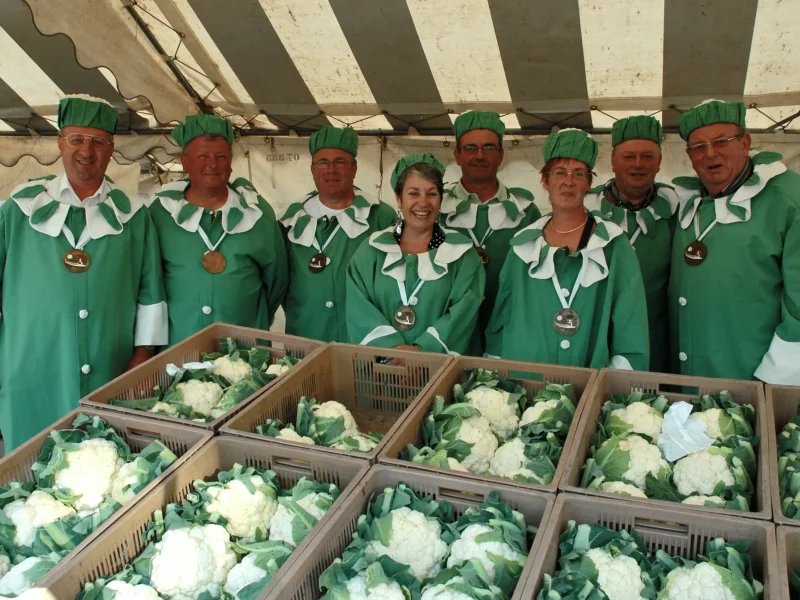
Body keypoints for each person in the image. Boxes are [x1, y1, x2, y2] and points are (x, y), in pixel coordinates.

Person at [0, 95, 167, 450]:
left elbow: (151, 293)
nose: (86, 152)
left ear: (111, 149)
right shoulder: (16, 211)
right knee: (28, 472)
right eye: (76, 139)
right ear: (60, 142)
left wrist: (141, 360)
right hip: (29, 372)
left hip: (111, 372)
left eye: (97, 142)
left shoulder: (135, 216)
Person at [486, 129, 649, 369]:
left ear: (588, 184)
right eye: (560, 172)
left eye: (579, 174)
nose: (568, 181)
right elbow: (502, 316)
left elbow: (630, 320)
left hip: (589, 378)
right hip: (526, 377)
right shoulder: (523, 246)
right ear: (545, 180)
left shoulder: (613, 244)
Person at [670, 100, 800, 383]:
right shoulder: (687, 202)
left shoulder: (789, 198)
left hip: (755, 377)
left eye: (721, 141)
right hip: (688, 374)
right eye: (698, 147)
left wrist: (776, 381)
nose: (710, 154)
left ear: (745, 143)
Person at [149, 114, 287, 345]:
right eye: (202, 156)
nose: (212, 165)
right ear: (184, 161)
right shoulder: (160, 212)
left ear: (231, 163)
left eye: (220, 157)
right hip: (179, 344)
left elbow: (277, 280)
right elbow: (149, 279)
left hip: (245, 346)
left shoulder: (256, 212)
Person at [346, 154, 485, 354]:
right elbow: (358, 308)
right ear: (398, 198)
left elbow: (464, 313)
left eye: (431, 194)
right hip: (382, 367)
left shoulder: (462, 255)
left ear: (440, 200)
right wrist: (392, 348)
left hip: (440, 369)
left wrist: (423, 351)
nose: (423, 202)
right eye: (413, 193)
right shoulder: (370, 251)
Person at [280, 125, 395, 342]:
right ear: (313, 169)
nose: (331, 169)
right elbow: (277, 279)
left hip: (362, 338)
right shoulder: (289, 220)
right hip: (306, 334)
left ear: (354, 168)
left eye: (340, 162)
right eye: (323, 162)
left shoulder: (381, 216)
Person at [584, 115, 678, 373]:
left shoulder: (676, 212)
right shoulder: (584, 210)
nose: (638, 164)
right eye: (628, 157)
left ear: (659, 162)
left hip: (654, 340)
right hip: (597, 338)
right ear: (613, 161)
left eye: (648, 156)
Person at [440, 111, 540, 353]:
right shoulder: (436, 208)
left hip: (511, 327)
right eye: (471, 148)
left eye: (489, 148)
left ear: (501, 155)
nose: (479, 156)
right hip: (448, 329)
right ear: (457, 155)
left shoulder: (526, 213)